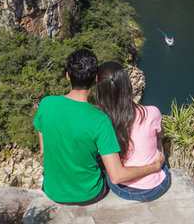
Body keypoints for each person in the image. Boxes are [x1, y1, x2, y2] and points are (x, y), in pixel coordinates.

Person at [33, 49, 165, 205]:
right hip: (88, 194)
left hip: (52, 190)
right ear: (96, 79)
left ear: (68, 76)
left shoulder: (46, 103)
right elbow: (116, 176)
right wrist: (155, 166)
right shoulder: (99, 119)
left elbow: (44, 148)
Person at [94, 61, 171, 202]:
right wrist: (157, 163)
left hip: (121, 189)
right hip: (154, 188)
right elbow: (161, 135)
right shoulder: (152, 112)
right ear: (127, 86)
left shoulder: (99, 121)